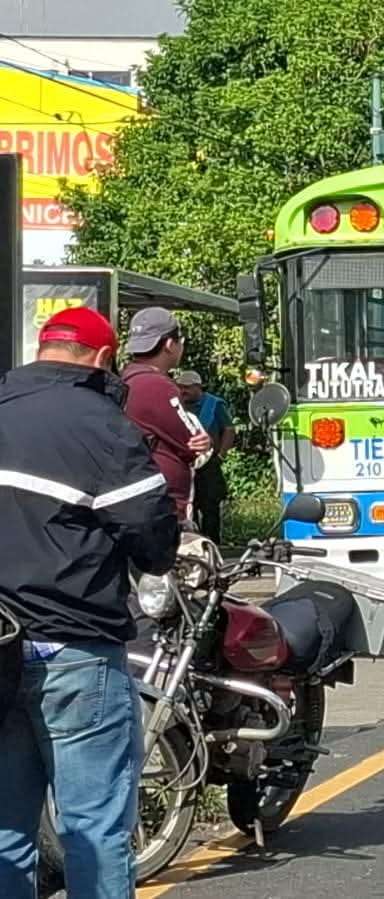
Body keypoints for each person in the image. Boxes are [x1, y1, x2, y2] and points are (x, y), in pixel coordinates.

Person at [0, 307, 180, 898]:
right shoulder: (101, 425)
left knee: (5, 830)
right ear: (104, 360)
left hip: (1, 647)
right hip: (74, 648)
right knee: (92, 828)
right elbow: (153, 539)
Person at [120, 308, 211, 520]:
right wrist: (204, 444)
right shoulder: (156, 386)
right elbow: (192, 446)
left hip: (136, 499)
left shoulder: (125, 379)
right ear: (170, 345)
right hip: (162, 507)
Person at [176, 370, 235, 543]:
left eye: (187, 387)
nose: (183, 391)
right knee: (188, 507)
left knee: (210, 507)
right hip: (186, 464)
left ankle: (213, 543)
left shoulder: (215, 405)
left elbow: (229, 430)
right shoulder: (178, 404)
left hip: (209, 464)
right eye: (181, 387)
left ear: (198, 387)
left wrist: (222, 455)